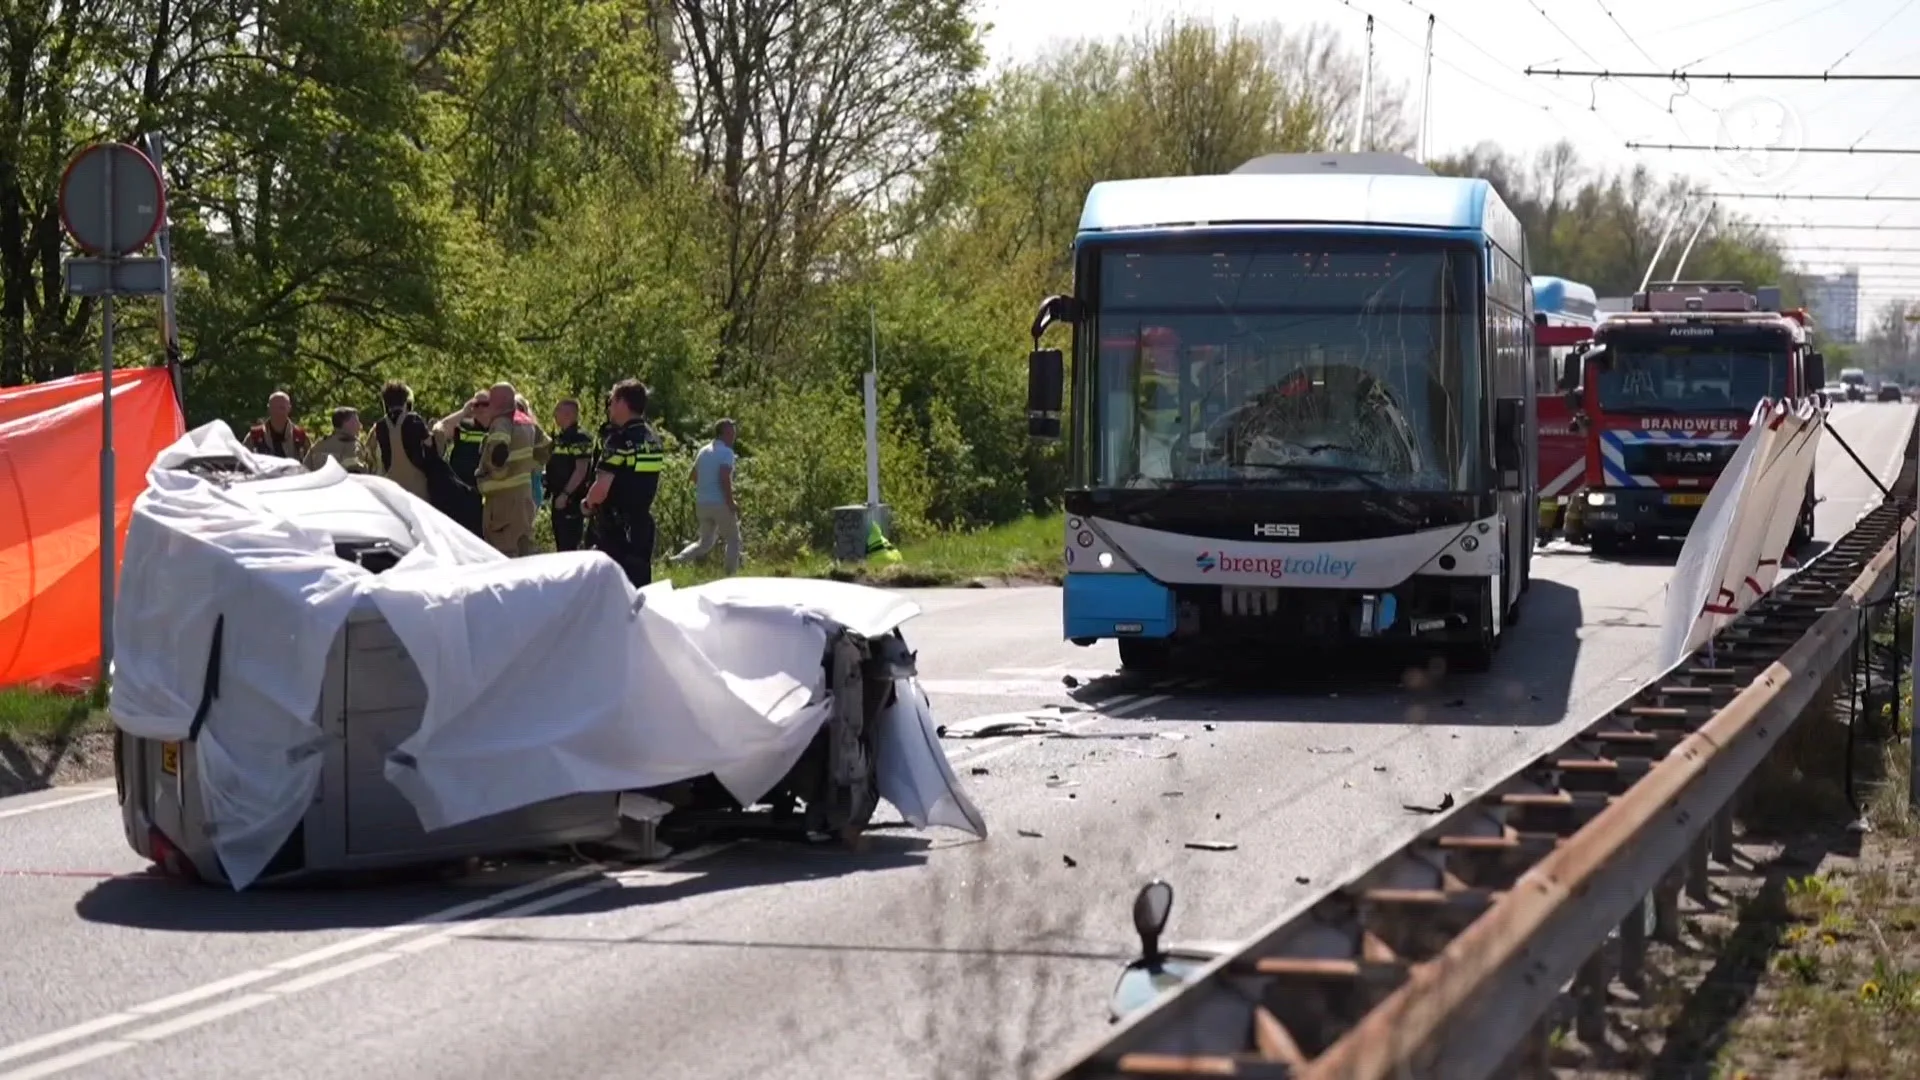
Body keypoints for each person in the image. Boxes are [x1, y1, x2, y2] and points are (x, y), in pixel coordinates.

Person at [582, 379, 663, 588]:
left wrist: (587, 504)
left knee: (610, 589)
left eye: (612, 401)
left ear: (622, 403)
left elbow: (601, 489)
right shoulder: (652, 438)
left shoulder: (618, 440)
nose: (610, 407)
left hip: (614, 529)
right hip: (642, 524)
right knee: (639, 586)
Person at [475, 382, 550, 557]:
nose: (488, 405)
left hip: (502, 502)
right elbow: (546, 447)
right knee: (524, 549)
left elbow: (498, 454)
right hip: (524, 498)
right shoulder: (527, 421)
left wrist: (493, 475)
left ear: (498, 402)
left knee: (504, 555)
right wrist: (531, 467)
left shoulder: (501, 422)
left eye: (490, 401)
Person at [668, 418, 743, 575]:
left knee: (705, 543)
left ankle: (677, 560)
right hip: (720, 503)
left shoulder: (703, 451)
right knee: (733, 540)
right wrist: (731, 502)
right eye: (731, 432)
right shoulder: (727, 453)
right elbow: (724, 478)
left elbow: (693, 476)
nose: (734, 436)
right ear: (723, 433)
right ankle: (730, 576)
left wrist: (706, 488)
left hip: (702, 503)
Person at [431, 391, 490, 537]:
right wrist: (463, 412)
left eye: (485, 404)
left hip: (484, 494)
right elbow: (440, 428)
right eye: (477, 404)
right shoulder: (464, 425)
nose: (480, 408)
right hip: (460, 492)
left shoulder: (498, 428)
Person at [368, 380, 434, 501]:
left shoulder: (380, 425)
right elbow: (430, 444)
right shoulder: (414, 419)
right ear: (405, 400)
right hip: (416, 482)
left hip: (392, 483)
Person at [545, 398, 597, 552]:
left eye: (557, 411)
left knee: (569, 546)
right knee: (561, 544)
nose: (554, 415)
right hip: (558, 497)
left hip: (571, 500)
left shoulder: (580, 438)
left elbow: (581, 470)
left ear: (568, 414)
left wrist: (565, 494)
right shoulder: (560, 437)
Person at [244, 391, 311, 460]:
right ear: (268, 409)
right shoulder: (254, 437)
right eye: (274, 408)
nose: (278, 412)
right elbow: (241, 465)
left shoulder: (301, 437)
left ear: (289, 409)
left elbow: (312, 466)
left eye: (282, 408)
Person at [304, 407, 367, 472]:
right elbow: (358, 475)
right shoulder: (353, 446)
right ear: (347, 423)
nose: (360, 425)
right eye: (356, 421)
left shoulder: (319, 445)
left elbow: (305, 469)